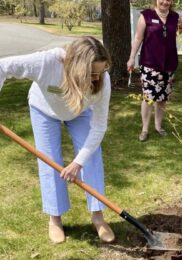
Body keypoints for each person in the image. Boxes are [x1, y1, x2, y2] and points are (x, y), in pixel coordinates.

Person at [0, 37, 115, 244]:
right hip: (44, 109)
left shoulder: (102, 81)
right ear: (77, 67)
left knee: (91, 158)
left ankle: (98, 218)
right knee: (49, 160)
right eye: (91, 73)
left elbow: (99, 127)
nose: (96, 78)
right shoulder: (46, 62)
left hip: (79, 110)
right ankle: (55, 219)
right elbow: (3, 67)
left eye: (100, 72)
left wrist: (78, 162)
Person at [127, 0, 182, 142]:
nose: (165, 2)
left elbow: (179, 28)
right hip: (150, 63)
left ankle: (158, 126)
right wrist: (132, 58)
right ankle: (145, 129)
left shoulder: (175, 17)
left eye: (168, 0)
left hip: (169, 64)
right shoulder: (146, 16)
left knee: (163, 98)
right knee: (149, 97)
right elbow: (138, 38)